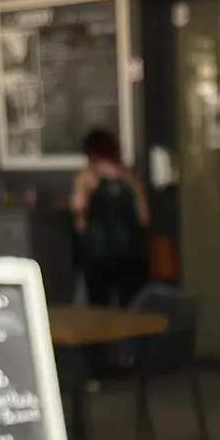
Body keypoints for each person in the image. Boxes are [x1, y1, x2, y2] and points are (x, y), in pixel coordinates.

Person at [70, 128, 150, 307]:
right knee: (131, 309)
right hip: (132, 256)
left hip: (98, 255)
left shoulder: (87, 177)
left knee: (100, 310)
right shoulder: (130, 178)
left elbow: (78, 212)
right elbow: (144, 218)